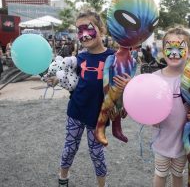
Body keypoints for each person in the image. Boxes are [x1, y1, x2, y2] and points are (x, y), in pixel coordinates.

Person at [46, 10, 131, 187]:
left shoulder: (114, 58)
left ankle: (102, 184)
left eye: (89, 29)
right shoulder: (80, 57)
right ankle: (63, 176)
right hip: (76, 111)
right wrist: (55, 79)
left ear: (101, 30)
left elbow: (123, 87)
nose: (84, 35)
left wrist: (127, 86)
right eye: (79, 30)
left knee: (97, 153)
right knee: (70, 148)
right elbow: (73, 80)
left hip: (98, 116)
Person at [151, 27, 190, 187]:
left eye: (180, 48)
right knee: (160, 174)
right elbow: (148, 106)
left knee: (178, 174)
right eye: (169, 48)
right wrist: (152, 118)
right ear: (162, 49)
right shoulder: (154, 79)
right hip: (163, 140)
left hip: (184, 142)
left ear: (189, 50)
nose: (174, 53)